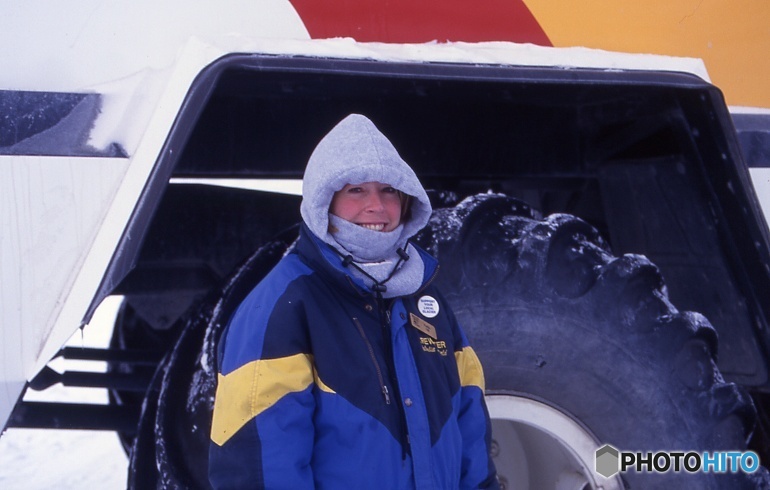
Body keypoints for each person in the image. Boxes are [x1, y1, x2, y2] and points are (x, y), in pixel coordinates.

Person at [208, 113, 499, 489]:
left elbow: (469, 426)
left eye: (389, 190)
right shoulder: (282, 305)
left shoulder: (427, 298)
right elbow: (255, 467)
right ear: (323, 201)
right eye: (356, 190)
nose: (376, 206)